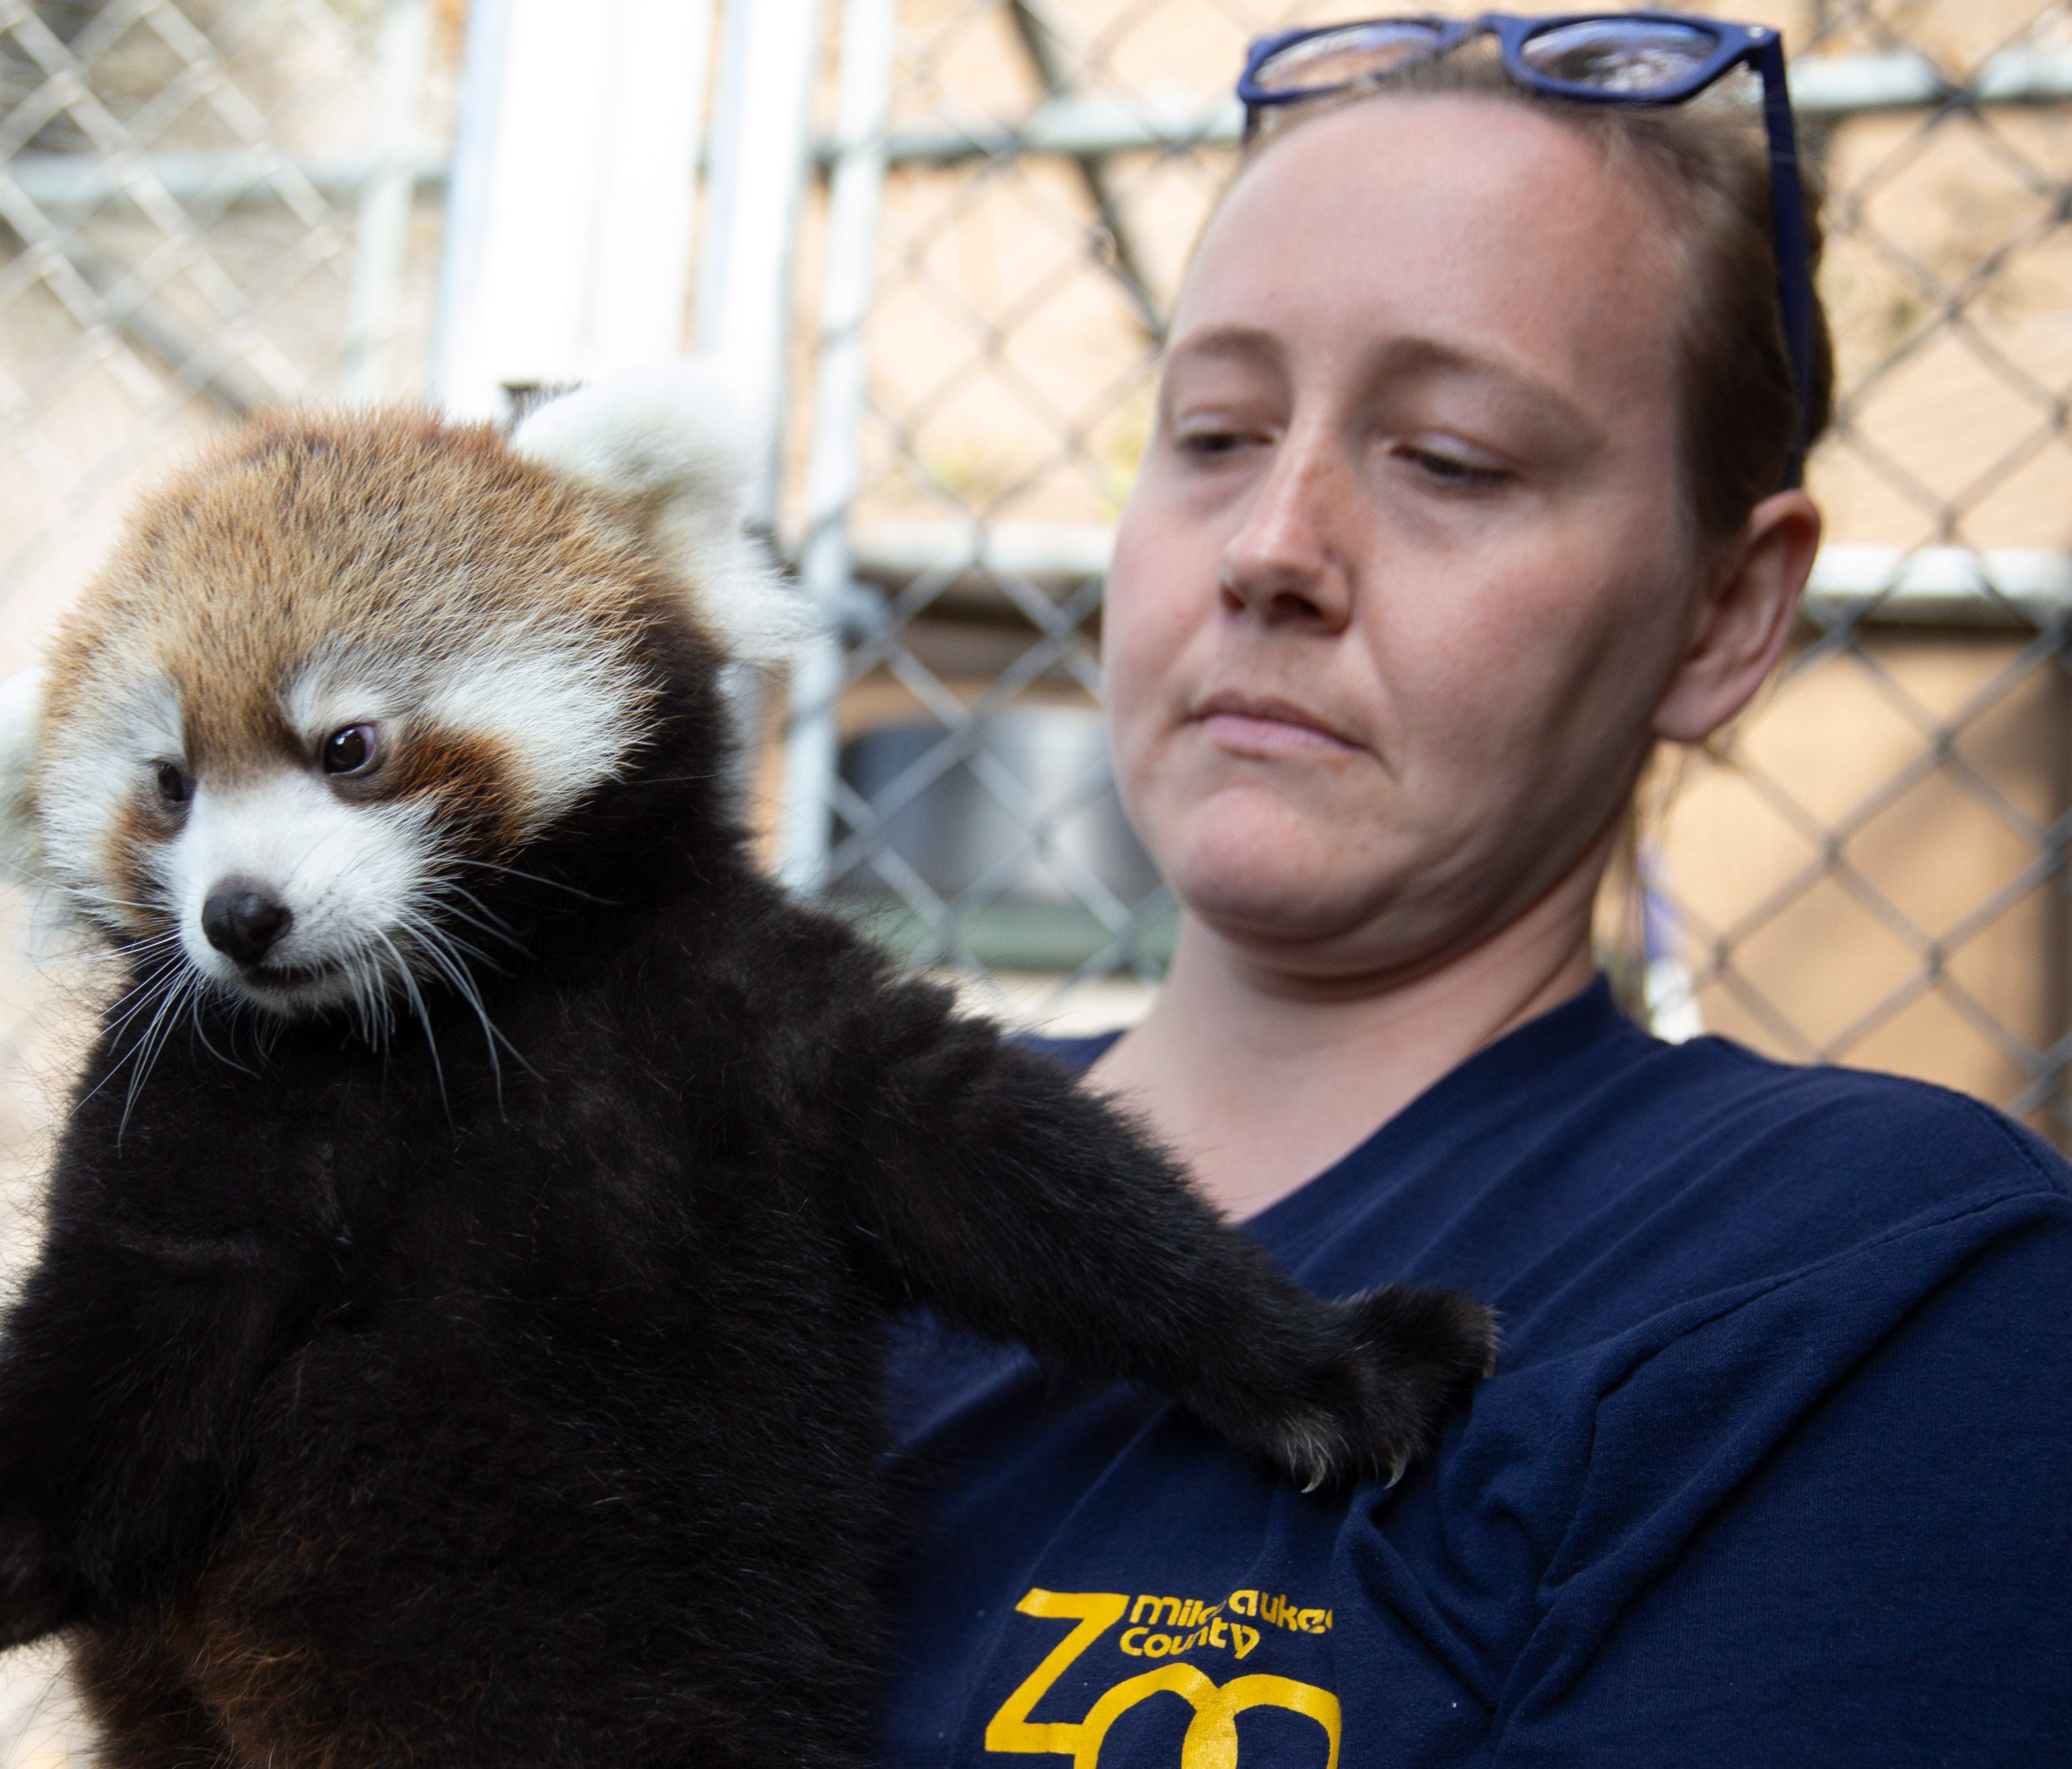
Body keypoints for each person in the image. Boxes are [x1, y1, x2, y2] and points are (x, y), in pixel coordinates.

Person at [876, 15, 2072, 1766]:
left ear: (1728, 612)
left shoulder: (1860, 1283)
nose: (1272, 546)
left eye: (1449, 460)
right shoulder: (786, 1171)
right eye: (1212, 431)